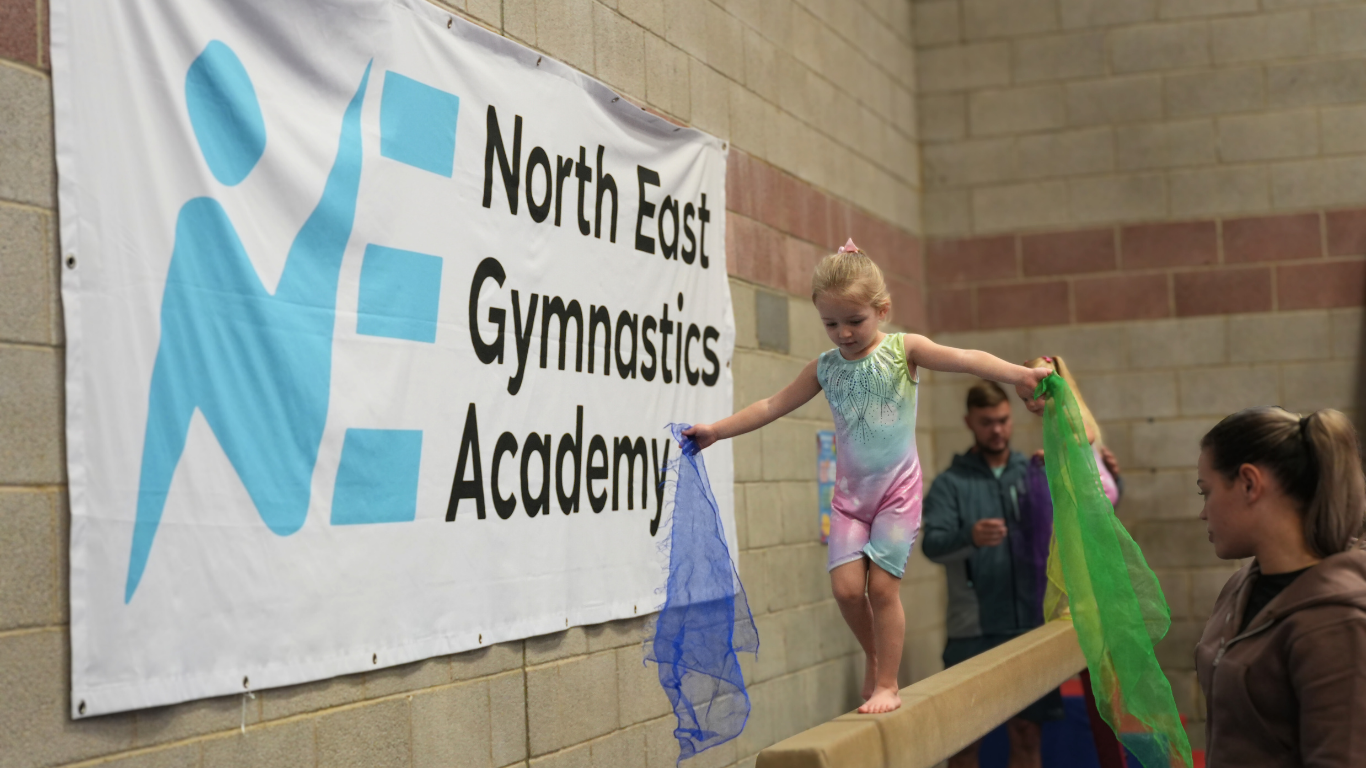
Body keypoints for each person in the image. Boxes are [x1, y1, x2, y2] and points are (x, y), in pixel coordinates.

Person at [684, 238, 1049, 714]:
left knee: (881, 589)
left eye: (854, 322)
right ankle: (873, 654)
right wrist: (717, 430)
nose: (843, 334)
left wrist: (1016, 376)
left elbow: (966, 358)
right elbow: (771, 405)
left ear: (882, 310)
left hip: (897, 493)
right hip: (850, 499)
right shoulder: (825, 369)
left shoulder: (904, 350)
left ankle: (888, 684)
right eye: (830, 324)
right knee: (846, 590)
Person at [1194, 406, 1366, 766]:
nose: (1203, 512)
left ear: (1249, 484)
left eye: (1205, 492)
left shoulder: (1335, 619)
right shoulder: (1240, 587)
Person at [922, 380, 1060, 768]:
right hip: (973, 632)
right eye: (986, 422)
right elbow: (931, 544)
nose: (996, 429)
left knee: (1027, 734)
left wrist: (1104, 475)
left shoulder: (1033, 471)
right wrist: (970, 536)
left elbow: (1087, 511)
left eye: (1002, 420)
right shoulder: (950, 484)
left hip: (1030, 626)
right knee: (963, 744)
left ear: (1011, 418)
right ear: (970, 422)